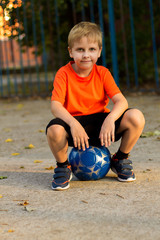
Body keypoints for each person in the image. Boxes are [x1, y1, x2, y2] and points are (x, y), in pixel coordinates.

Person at [46, 21, 145, 191]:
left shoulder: (103, 73)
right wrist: (73, 124)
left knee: (136, 117)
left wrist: (110, 119)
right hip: (75, 126)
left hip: (101, 126)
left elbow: (122, 101)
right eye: (80, 50)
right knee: (54, 130)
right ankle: (63, 167)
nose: (86, 55)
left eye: (91, 49)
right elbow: (55, 105)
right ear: (71, 52)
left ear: (99, 52)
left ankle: (120, 159)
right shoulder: (63, 73)